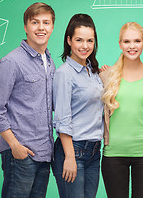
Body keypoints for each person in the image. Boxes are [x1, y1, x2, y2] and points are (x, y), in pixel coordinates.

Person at [0, 2, 56, 198]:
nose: (41, 27)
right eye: (35, 22)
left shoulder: (50, 63)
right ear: (26, 27)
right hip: (20, 154)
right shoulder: (11, 62)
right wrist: (15, 146)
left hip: (44, 154)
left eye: (46, 22)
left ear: (52, 27)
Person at [100, 22, 143, 198]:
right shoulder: (105, 76)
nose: (132, 46)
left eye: (137, 41)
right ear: (120, 44)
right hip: (113, 154)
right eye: (127, 41)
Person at [51, 14, 103, 198]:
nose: (85, 46)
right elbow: (62, 118)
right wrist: (70, 157)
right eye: (79, 40)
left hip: (94, 151)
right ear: (69, 40)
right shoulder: (64, 73)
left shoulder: (93, 72)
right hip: (73, 150)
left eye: (90, 40)